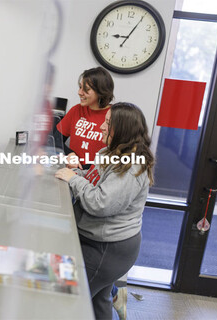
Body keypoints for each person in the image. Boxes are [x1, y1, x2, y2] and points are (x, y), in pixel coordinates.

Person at [55, 102, 154, 319]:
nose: (101, 127)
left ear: (122, 130)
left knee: (67, 302)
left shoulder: (131, 166)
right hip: (99, 241)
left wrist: (74, 181)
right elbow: (94, 181)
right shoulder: (108, 152)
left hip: (107, 249)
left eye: (107, 123)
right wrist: (73, 175)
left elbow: (100, 203)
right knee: (99, 301)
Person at [55, 67, 114, 169]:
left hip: (97, 177)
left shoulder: (114, 115)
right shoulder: (76, 110)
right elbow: (56, 138)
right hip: (72, 173)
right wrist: (70, 154)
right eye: (80, 87)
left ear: (101, 91)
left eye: (86, 89)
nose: (80, 92)